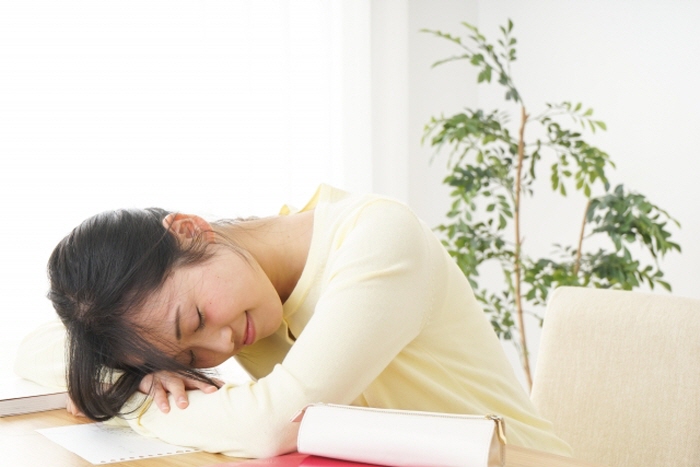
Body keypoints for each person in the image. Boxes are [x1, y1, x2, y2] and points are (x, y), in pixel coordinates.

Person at [15, 184, 572, 458]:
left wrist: (127, 401)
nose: (221, 345)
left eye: (197, 318)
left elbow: (272, 425)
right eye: (186, 358)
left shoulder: (377, 241)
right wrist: (137, 371)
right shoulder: (237, 276)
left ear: (190, 230)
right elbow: (35, 348)